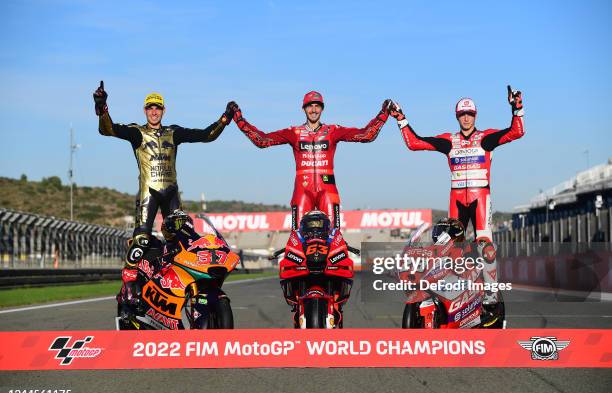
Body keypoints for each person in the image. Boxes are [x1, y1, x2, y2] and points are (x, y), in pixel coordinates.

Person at [93, 81, 233, 307]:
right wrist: (102, 107)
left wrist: (225, 119)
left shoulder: (173, 132)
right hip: (149, 193)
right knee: (141, 238)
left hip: (171, 193)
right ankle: (128, 281)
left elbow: (206, 135)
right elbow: (107, 129)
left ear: (163, 110)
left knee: (183, 240)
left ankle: (174, 282)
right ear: (145, 110)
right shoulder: (136, 132)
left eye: (158, 108)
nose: (154, 111)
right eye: (150, 108)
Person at [229, 92, 391, 230]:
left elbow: (366, 135)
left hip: (328, 189)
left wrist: (383, 114)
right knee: (297, 236)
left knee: (333, 235)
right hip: (302, 190)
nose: (313, 110)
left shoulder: (333, 131)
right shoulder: (294, 132)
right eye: (310, 106)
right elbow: (262, 141)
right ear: (304, 109)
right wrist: (238, 119)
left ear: (322, 108)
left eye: (317, 106)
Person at [390, 86, 525, 240]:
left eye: (470, 114)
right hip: (456, 199)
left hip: (480, 198)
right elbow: (414, 143)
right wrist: (401, 119)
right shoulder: (449, 141)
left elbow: (517, 132)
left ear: (475, 115)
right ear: (457, 116)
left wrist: (517, 108)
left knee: (484, 245)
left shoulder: (486, 138)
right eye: (462, 114)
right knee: (452, 248)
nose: (466, 118)